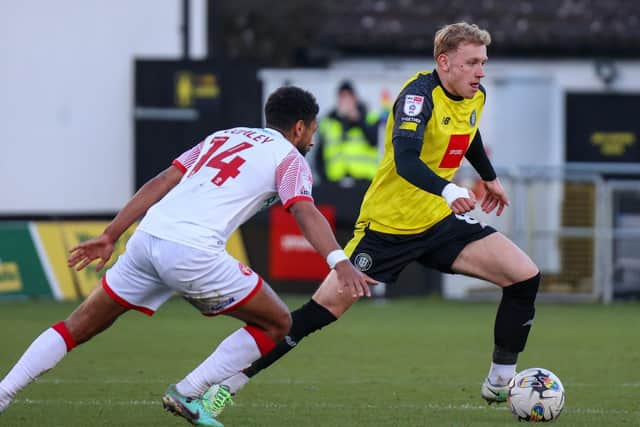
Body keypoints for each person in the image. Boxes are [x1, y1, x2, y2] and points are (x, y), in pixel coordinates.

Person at [0, 86, 374, 427]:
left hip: (147, 240)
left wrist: (111, 234)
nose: (311, 138)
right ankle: (189, 392)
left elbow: (163, 180)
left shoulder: (222, 137)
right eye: (311, 130)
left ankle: (2, 395)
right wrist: (339, 262)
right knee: (277, 323)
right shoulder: (290, 159)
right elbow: (304, 210)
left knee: (75, 326)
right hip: (192, 252)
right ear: (298, 128)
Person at [213, 22, 542, 409]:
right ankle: (229, 382)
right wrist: (450, 188)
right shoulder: (417, 98)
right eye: (472, 62)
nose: (481, 71)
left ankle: (500, 381)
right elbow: (405, 160)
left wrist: (489, 178)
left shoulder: (476, 95)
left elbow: (467, 136)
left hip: (438, 222)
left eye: (483, 62)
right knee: (318, 313)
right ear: (444, 61)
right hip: (387, 227)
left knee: (524, 276)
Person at [315, 80, 380, 187]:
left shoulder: (370, 118)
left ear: (355, 99)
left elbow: (373, 141)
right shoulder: (329, 122)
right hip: (335, 183)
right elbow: (319, 156)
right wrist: (324, 181)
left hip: (364, 182)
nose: (345, 102)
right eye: (342, 98)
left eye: (348, 98)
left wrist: (357, 119)